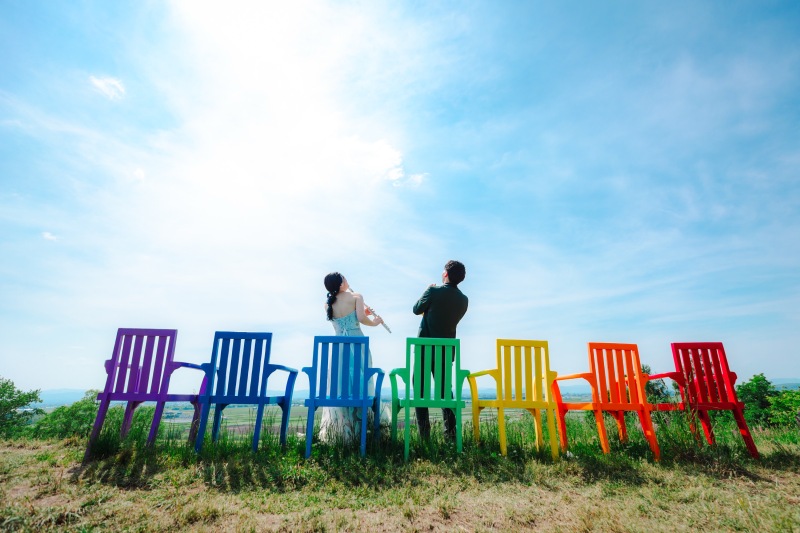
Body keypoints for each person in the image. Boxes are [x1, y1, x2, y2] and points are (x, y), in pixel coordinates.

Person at [320, 272, 384, 444]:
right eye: (345, 279)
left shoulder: (327, 304)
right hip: (358, 346)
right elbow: (361, 319)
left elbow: (345, 318)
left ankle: (343, 431)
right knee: (361, 381)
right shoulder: (356, 296)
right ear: (341, 284)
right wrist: (375, 321)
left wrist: (361, 312)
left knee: (341, 385)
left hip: (338, 349)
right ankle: (362, 428)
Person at [412, 260, 468, 440]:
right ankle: (450, 435)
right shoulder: (464, 300)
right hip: (445, 352)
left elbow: (416, 309)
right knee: (445, 392)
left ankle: (424, 437)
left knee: (420, 390)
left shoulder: (433, 291)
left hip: (424, 351)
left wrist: (427, 289)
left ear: (445, 274)